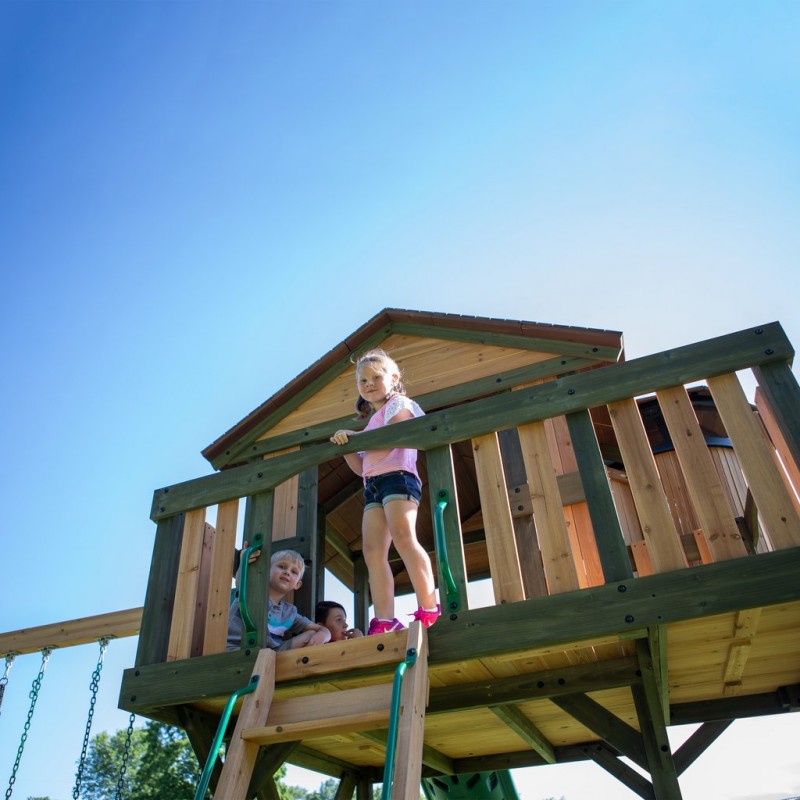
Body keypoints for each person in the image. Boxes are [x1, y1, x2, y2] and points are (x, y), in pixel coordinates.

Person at [330, 349, 440, 635]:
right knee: (372, 551)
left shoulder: (399, 404)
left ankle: (429, 606)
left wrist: (357, 437)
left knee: (404, 537)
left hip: (398, 478)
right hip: (373, 486)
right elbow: (362, 468)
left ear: (393, 378)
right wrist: (347, 448)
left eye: (376, 377)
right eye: (363, 380)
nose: (369, 384)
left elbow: (396, 433)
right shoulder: (372, 421)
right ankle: (384, 619)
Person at [226, 549, 331, 650]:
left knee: (311, 634)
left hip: (272, 653)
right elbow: (242, 583)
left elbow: (320, 629)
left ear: (297, 585)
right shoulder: (254, 592)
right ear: (267, 571)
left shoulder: (289, 613)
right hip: (237, 648)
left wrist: (325, 634)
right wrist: (244, 562)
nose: (287, 572)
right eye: (282, 566)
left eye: (294, 572)